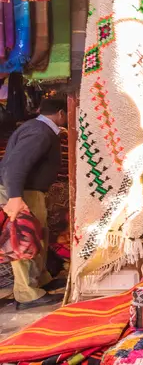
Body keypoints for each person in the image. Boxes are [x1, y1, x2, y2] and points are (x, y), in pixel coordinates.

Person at [0, 99, 67, 309]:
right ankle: (26, 293)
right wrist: (15, 197)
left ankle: (40, 281)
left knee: (38, 236)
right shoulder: (39, 132)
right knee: (23, 238)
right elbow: (15, 165)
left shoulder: (38, 129)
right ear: (61, 113)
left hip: (29, 191)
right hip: (22, 192)